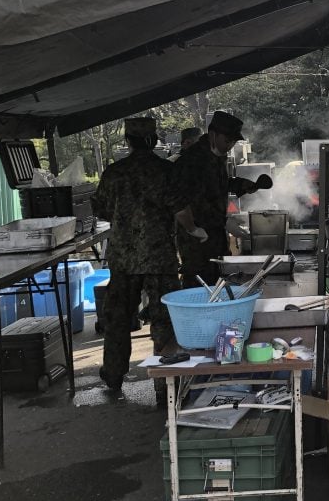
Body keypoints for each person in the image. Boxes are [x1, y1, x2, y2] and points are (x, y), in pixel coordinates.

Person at [91, 117, 180, 400]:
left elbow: (102, 210)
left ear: (127, 141)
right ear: (153, 140)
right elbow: (179, 208)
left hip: (124, 257)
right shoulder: (166, 171)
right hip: (159, 256)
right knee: (164, 319)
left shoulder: (114, 173)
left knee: (117, 318)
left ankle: (114, 375)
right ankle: (164, 382)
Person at [171, 111, 272, 288]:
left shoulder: (216, 156)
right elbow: (191, 200)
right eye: (227, 141)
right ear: (213, 135)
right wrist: (224, 221)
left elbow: (217, 184)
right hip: (197, 238)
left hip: (216, 235)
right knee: (198, 283)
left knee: (219, 279)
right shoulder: (192, 160)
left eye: (233, 142)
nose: (230, 145)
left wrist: (241, 185)